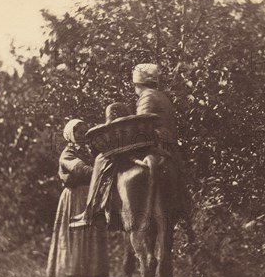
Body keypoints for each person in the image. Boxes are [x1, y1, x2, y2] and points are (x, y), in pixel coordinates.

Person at [74, 63, 188, 228]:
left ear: (138, 84)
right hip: (170, 149)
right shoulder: (163, 96)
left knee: (101, 159)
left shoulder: (146, 96)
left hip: (153, 144)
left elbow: (142, 125)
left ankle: (92, 210)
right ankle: (182, 214)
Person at [46, 119, 109, 277]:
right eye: (79, 132)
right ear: (70, 135)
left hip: (89, 196)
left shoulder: (89, 153)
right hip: (74, 198)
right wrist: (102, 168)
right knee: (73, 237)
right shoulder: (67, 154)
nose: (83, 136)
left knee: (89, 236)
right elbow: (81, 170)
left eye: (84, 132)